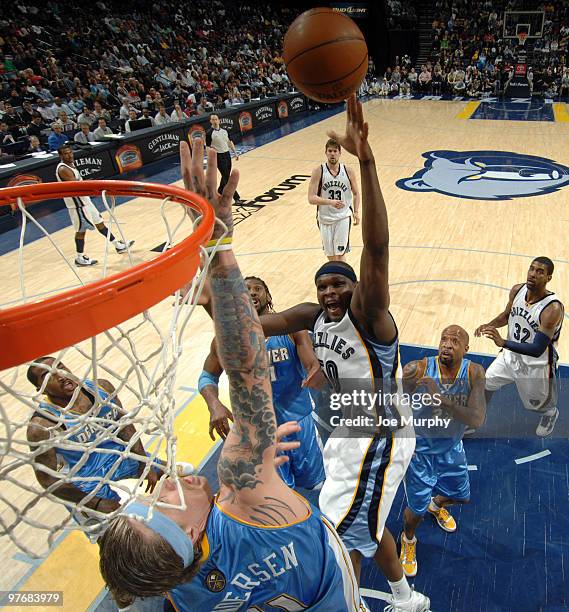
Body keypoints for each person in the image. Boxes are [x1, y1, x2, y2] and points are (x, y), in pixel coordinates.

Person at [98, 139, 366, 611]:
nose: (163, 483)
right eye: (159, 502)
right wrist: (217, 244)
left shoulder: (173, 590)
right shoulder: (245, 491)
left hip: (292, 423)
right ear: (186, 532)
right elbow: (245, 371)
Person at [259, 95, 429, 611]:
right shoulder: (311, 316)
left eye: (339, 284)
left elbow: (375, 249)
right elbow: (251, 323)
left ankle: (350, 604)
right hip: (347, 433)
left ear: (355, 290)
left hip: (381, 435)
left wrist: (367, 159)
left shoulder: (371, 316)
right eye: (324, 285)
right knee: (365, 528)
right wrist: (213, 287)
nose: (330, 292)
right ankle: (405, 600)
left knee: (334, 527)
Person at [199, 275, 326, 490]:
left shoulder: (292, 329)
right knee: (279, 492)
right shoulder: (225, 341)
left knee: (316, 485)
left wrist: (313, 367)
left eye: (258, 288)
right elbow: (207, 377)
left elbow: (309, 360)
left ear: (268, 296)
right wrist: (214, 404)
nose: (252, 292)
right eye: (246, 289)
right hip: (261, 434)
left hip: (299, 422)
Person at [26, 356, 193, 517]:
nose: (60, 376)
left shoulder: (102, 388)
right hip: (87, 479)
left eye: (60, 367)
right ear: (40, 389)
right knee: (114, 530)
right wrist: (95, 503)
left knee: (187, 477)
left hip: (121, 456)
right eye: (47, 375)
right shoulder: (42, 426)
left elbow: (125, 426)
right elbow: (48, 480)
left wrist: (144, 461)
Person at [399, 326, 486, 577]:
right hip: (420, 455)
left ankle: (435, 505)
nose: (447, 345)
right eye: (443, 340)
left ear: (466, 349)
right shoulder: (417, 370)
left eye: (455, 341)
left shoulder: (473, 372)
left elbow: (477, 419)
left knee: (462, 496)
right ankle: (408, 540)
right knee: (414, 513)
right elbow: (394, 406)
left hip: (451, 449)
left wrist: (440, 400)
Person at [475, 257, 563, 437]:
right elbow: (507, 315)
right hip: (509, 356)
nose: (533, 274)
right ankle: (477, 417)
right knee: (487, 382)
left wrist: (503, 342)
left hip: (535, 364)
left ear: (549, 278)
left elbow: (538, 348)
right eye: (532, 269)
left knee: (537, 405)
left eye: (540, 272)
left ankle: (550, 414)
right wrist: (489, 325)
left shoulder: (551, 308)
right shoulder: (517, 290)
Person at [56, 145, 134, 266]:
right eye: (66, 153)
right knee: (81, 231)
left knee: (99, 223)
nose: (70, 155)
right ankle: (79, 258)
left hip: (85, 201)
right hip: (77, 205)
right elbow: (77, 185)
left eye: (70, 152)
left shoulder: (71, 164)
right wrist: (95, 184)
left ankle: (118, 246)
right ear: (61, 156)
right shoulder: (63, 169)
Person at [308, 138, 360, 262]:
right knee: (331, 256)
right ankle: (337, 279)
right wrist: (330, 202)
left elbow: (357, 193)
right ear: (326, 153)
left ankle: (346, 280)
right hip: (324, 217)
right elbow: (311, 198)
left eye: (335, 151)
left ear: (339, 153)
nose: (332, 154)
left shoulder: (348, 171)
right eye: (330, 151)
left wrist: (356, 212)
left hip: (343, 216)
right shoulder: (318, 171)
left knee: (340, 253)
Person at [205, 113, 241, 203]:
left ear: (219, 120)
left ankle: (220, 190)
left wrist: (235, 153)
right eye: (212, 119)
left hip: (227, 155)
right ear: (210, 121)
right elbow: (208, 147)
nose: (214, 121)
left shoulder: (225, 131)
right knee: (227, 178)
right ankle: (236, 197)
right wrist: (210, 158)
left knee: (225, 176)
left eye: (216, 119)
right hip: (219, 157)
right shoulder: (209, 133)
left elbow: (230, 142)